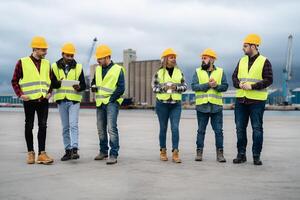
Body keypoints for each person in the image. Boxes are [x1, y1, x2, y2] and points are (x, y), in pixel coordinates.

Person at [152, 48, 187, 163]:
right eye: (171, 57)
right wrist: (164, 88)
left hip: (175, 105)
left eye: (174, 57)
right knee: (163, 128)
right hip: (162, 105)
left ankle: (175, 153)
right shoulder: (158, 73)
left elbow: (185, 87)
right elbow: (154, 88)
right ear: (166, 59)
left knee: (175, 128)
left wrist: (176, 88)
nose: (174, 59)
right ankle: (163, 151)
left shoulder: (179, 72)